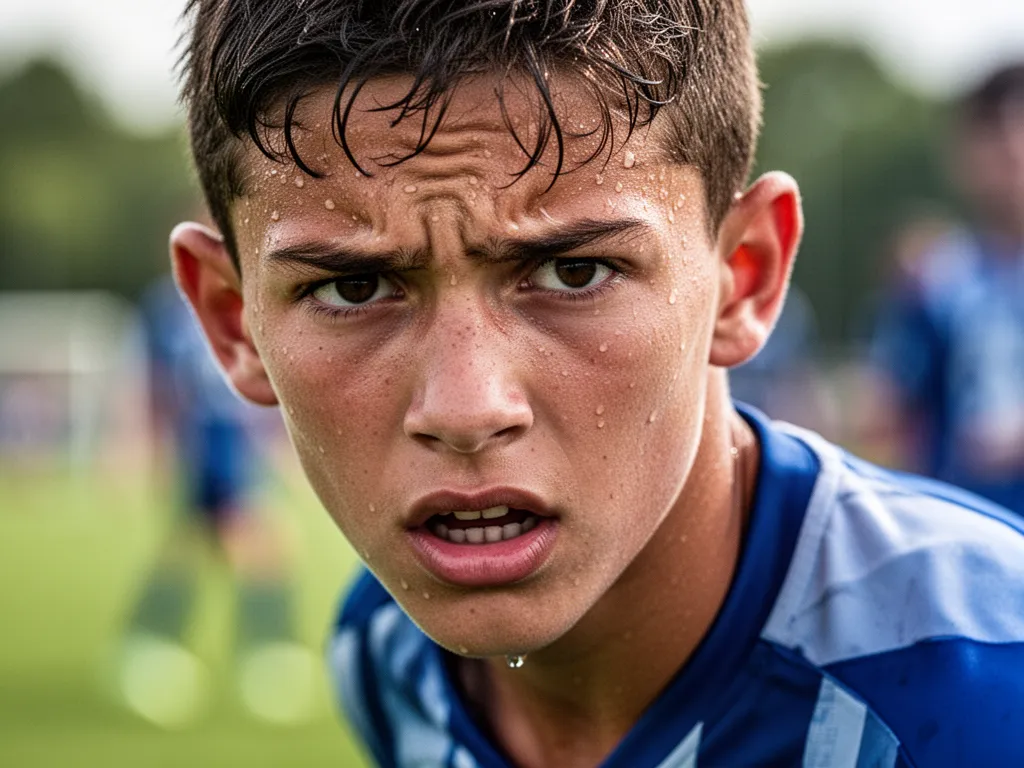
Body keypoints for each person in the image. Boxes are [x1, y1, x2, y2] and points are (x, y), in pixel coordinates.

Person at [169, 2, 1024, 765]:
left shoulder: (990, 688)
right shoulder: (385, 652)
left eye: (575, 272)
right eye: (352, 289)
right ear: (231, 322)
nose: (468, 408)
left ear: (745, 276)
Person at [117, 274, 313, 727]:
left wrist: (280, 447)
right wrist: (135, 444)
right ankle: (266, 658)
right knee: (250, 545)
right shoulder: (167, 308)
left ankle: (150, 645)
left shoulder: (247, 292)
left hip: (231, 440)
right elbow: (154, 385)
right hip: (207, 442)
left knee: (220, 545)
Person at [866, 64, 1024, 515]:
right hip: (971, 527)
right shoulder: (935, 282)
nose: (1012, 148)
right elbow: (890, 413)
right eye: (993, 131)